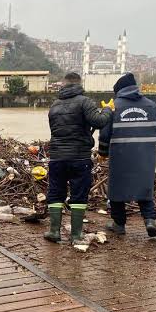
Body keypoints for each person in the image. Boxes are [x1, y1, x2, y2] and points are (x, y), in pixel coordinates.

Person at [44, 72, 113, 243]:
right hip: (79, 157)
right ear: (79, 84)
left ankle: (54, 232)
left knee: (55, 192)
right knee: (79, 194)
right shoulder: (85, 102)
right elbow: (99, 122)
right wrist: (107, 110)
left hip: (57, 157)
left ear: (63, 84)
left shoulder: (54, 105)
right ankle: (76, 235)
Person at [98, 72, 156, 237]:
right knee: (144, 188)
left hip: (120, 156)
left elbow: (104, 133)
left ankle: (119, 224)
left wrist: (102, 152)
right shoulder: (151, 105)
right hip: (145, 157)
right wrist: (153, 145)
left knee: (117, 190)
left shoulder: (114, 106)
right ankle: (150, 220)